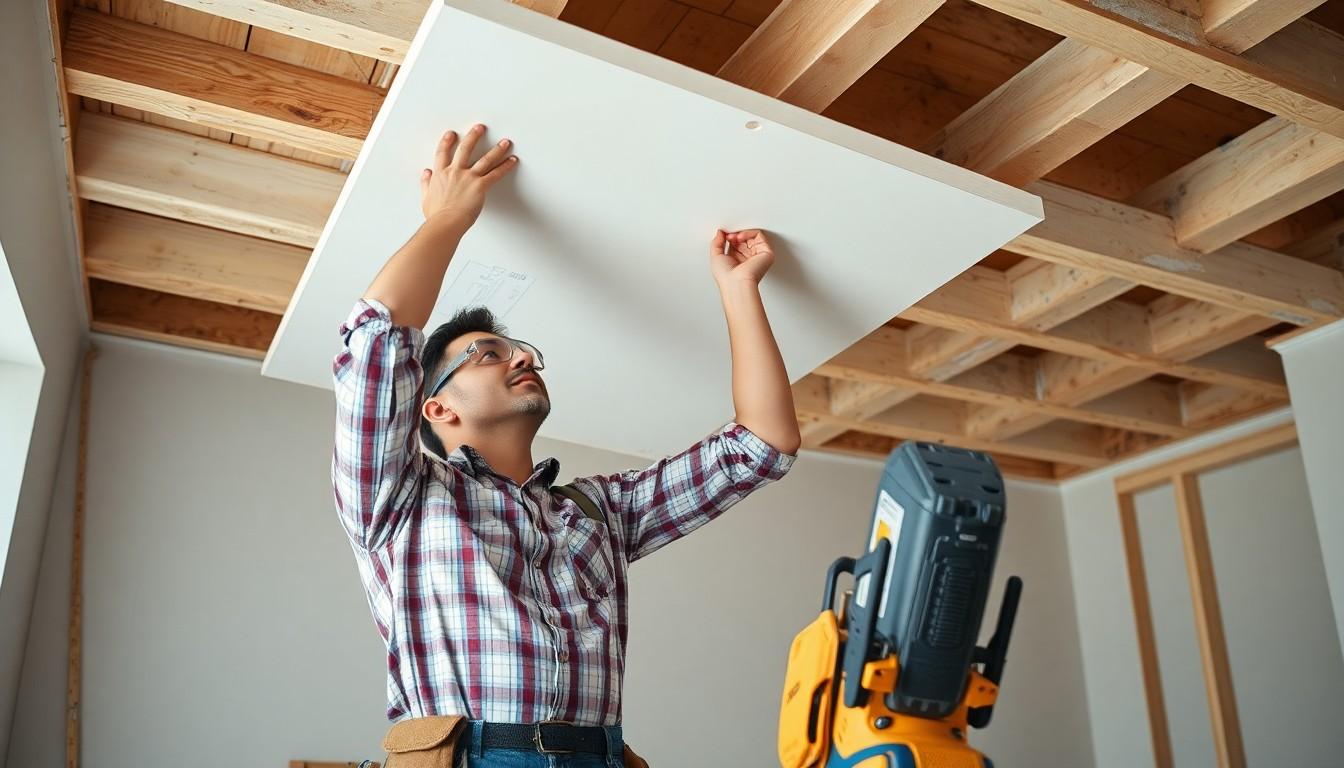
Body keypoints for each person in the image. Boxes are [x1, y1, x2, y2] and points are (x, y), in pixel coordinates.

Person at [332, 123, 801, 767]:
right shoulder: (400, 498)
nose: (522, 357)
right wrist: (449, 217)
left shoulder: (598, 511)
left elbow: (762, 446)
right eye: (486, 354)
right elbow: (378, 341)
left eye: (521, 350)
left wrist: (739, 289)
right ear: (434, 406)